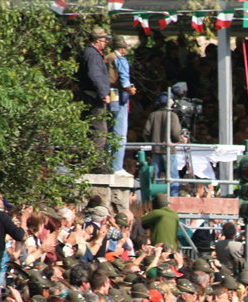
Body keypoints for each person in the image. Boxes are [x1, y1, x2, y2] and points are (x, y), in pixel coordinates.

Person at [76, 27, 112, 154]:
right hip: (94, 96)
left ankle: (92, 161)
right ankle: (96, 164)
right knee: (99, 130)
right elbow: (95, 75)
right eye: (104, 39)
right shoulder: (92, 54)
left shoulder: (92, 53)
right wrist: (103, 94)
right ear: (97, 40)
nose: (105, 42)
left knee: (96, 129)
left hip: (93, 95)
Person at [106, 36, 137, 176]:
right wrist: (131, 90)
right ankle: (116, 167)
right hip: (119, 98)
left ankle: (105, 164)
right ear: (123, 48)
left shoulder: (106, 58)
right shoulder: (120, 59)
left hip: (108, 96)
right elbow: (125, 83)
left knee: (107, 132)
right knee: (119, 133)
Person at [143, 93, 185, 194]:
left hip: (156, 151)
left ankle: (154, 200)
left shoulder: (153, 115)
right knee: (173, 177)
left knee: (154, 178)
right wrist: (183, 140)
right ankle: (173, 200)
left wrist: (153, 142)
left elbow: (146, 133)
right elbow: (175, 135)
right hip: (170, 151)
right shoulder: (173, 116)